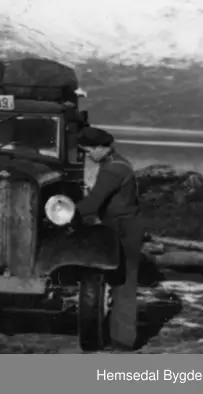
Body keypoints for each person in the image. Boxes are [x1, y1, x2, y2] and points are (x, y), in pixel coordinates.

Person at [74, 124, 143, 352]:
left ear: (101, 148)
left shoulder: (112, 170)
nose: (88, 156)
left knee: (123, 283)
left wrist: (65, 212)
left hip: (122, 227)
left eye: (89, 151)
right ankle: (119, 337)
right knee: (119, 281)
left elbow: (93, 203)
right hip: (124, 225)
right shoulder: (117, 163)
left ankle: (123, 342)